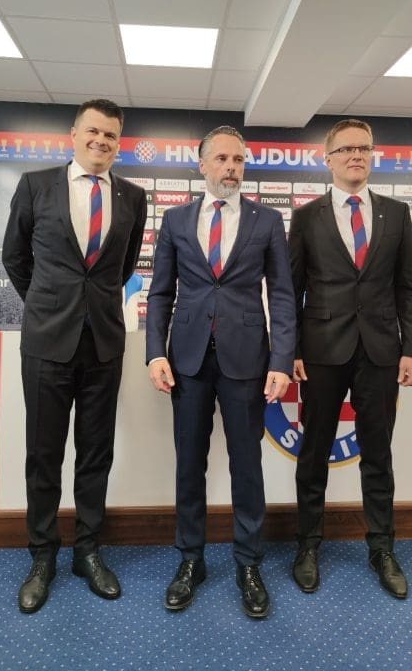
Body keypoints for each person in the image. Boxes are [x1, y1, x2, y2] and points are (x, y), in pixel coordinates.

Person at [2, 99, 147, 614]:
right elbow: (14, 257)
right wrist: (49, 306)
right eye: (93, 131)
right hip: (47, 343)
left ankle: (87, 551)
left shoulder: (133, 196)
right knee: (43, 454)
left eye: (111, 135)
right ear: (74, 134)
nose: (101, 141)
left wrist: (89, 307)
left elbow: (123, 266)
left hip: (103, 344)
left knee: (95, 453)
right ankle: (42, 557)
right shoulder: (35, 186)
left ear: (118, 143)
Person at [146, 126, 295, 618]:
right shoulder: (175, 219)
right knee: (189, 463)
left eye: (239, 160)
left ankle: (248, 563)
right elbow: (161, 292)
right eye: (222, 159)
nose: (232, 167)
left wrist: (281, 360)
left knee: (246, 466)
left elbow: (282, 296)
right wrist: (155, 352)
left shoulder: (267, 220)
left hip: (247, 360)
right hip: (186, 360)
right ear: (202, 165)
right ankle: (191, 559)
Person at [288, 118, 412, 599]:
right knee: (314, 452)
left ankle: (382, 548)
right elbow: (291, 290)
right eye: (345, 149)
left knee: (378, 454)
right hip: (322, 352)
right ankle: (307, 545)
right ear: (328, 160)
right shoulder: (307, 217)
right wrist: (292, 350)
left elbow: (407, 287)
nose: (356, 156)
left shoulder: (396, 213)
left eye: (363, 148)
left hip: (381, 351)